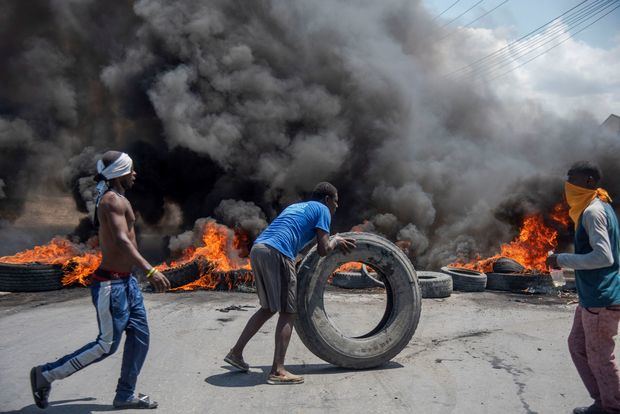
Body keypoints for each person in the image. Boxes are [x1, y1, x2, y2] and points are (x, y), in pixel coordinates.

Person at [29, 151, 171, 409]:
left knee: (140, 337)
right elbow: (121, 239)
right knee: (107, 345)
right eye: (131, 170)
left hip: (127, 283)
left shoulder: (116, 196)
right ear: (119, 174)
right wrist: (150, 270)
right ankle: (46, 374)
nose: (135, 174)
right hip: (111, 286)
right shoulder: (110, 201)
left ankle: (125, 394)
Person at [224, 182, 355, 384]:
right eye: (336, 202)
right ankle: (278, 370)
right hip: (277, 252)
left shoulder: (297, 206)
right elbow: (323, 249)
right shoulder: (323, 210)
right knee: (288, 311)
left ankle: (236, 353)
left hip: (259, 249)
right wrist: (336, 240)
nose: (337, 206)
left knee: (268, 308)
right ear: (327, 199)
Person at [547, 161, 620, 414]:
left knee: (600, 356)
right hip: (592, 297)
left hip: (602, 297)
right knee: (577, 346)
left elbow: (604, 257)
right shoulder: (598, 206)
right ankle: (602, 401)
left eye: (573, 180)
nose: (568, 186)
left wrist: (561, 260)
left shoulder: (593, 212)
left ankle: (612, 407)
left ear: (589, 181)